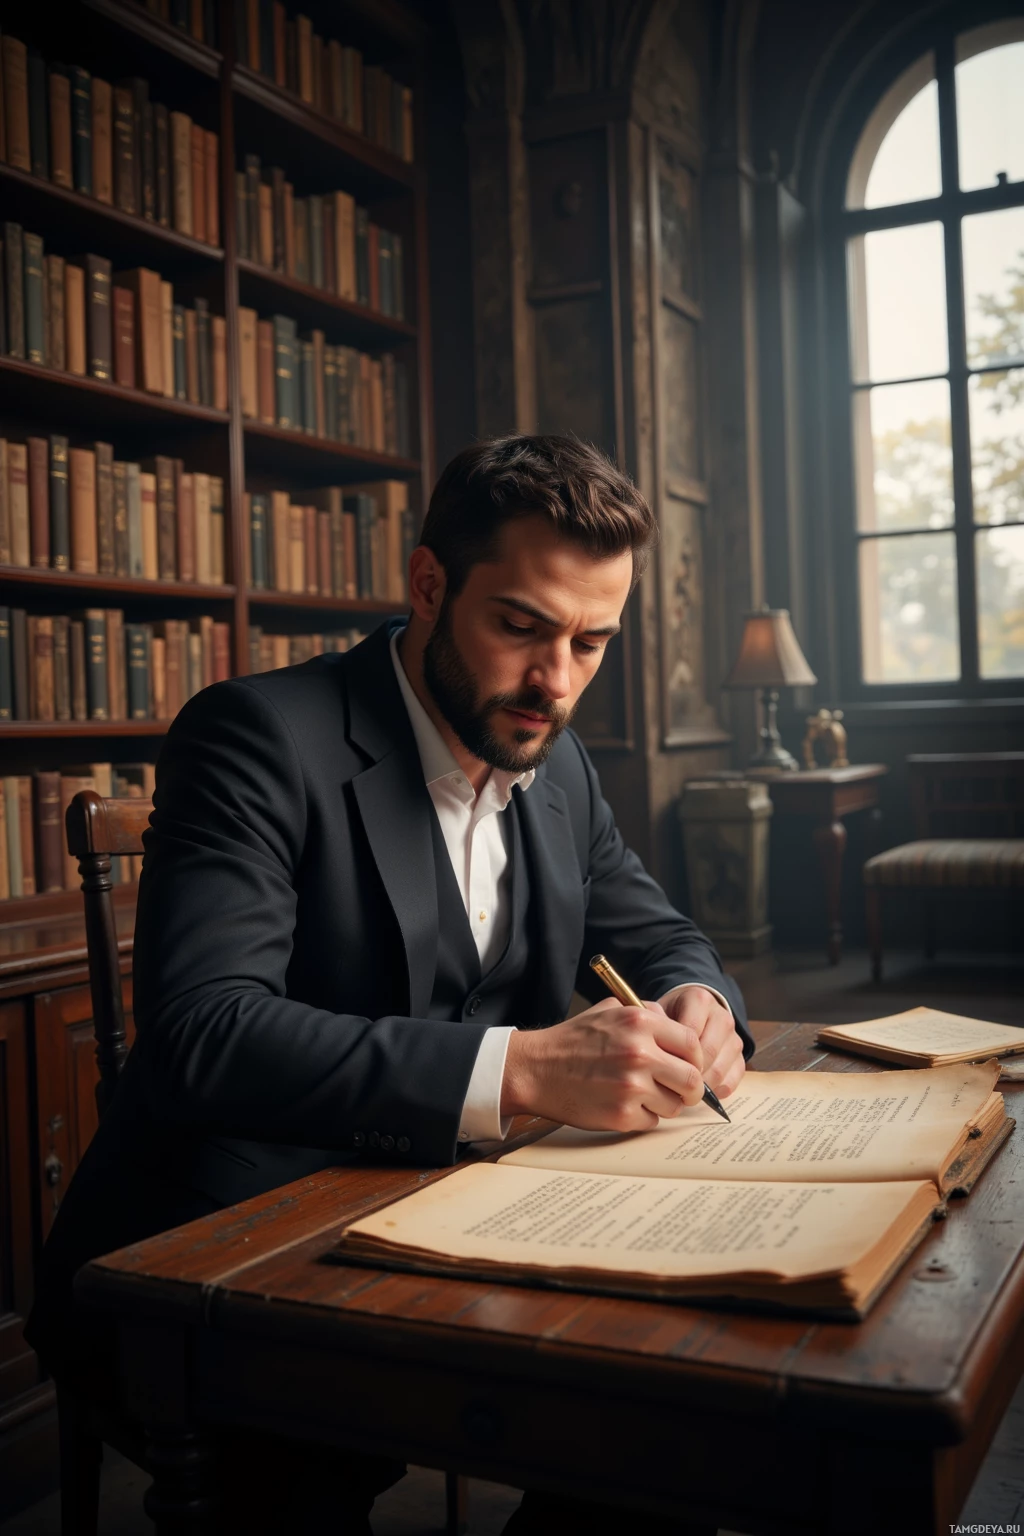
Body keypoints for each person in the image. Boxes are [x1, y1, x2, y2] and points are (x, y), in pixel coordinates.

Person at [28, 434, 751, 1535]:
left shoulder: (554, 761)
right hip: (225, 1249)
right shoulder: (256, 734)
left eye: (590, 643)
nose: (554, 682)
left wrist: (705, 1006)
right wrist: (527, 1066)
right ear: (427, 585)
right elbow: (205, 1034)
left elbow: (662, 937)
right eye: (520, 626)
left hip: (461, 1215)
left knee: (679, 1416)